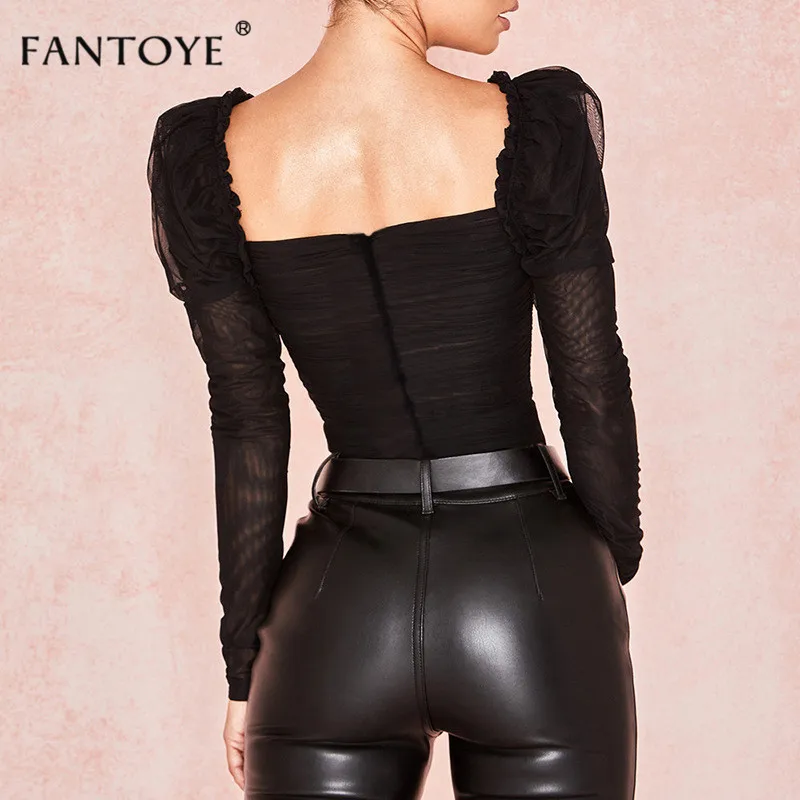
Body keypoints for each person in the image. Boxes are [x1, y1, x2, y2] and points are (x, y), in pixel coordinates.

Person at [146, 0, 643, 797]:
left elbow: (247, 420)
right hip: (527, 586)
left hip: (336, 605)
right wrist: (602, 569)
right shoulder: (536, 126)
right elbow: (589, 375)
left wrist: (245, 665)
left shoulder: (208, 156)